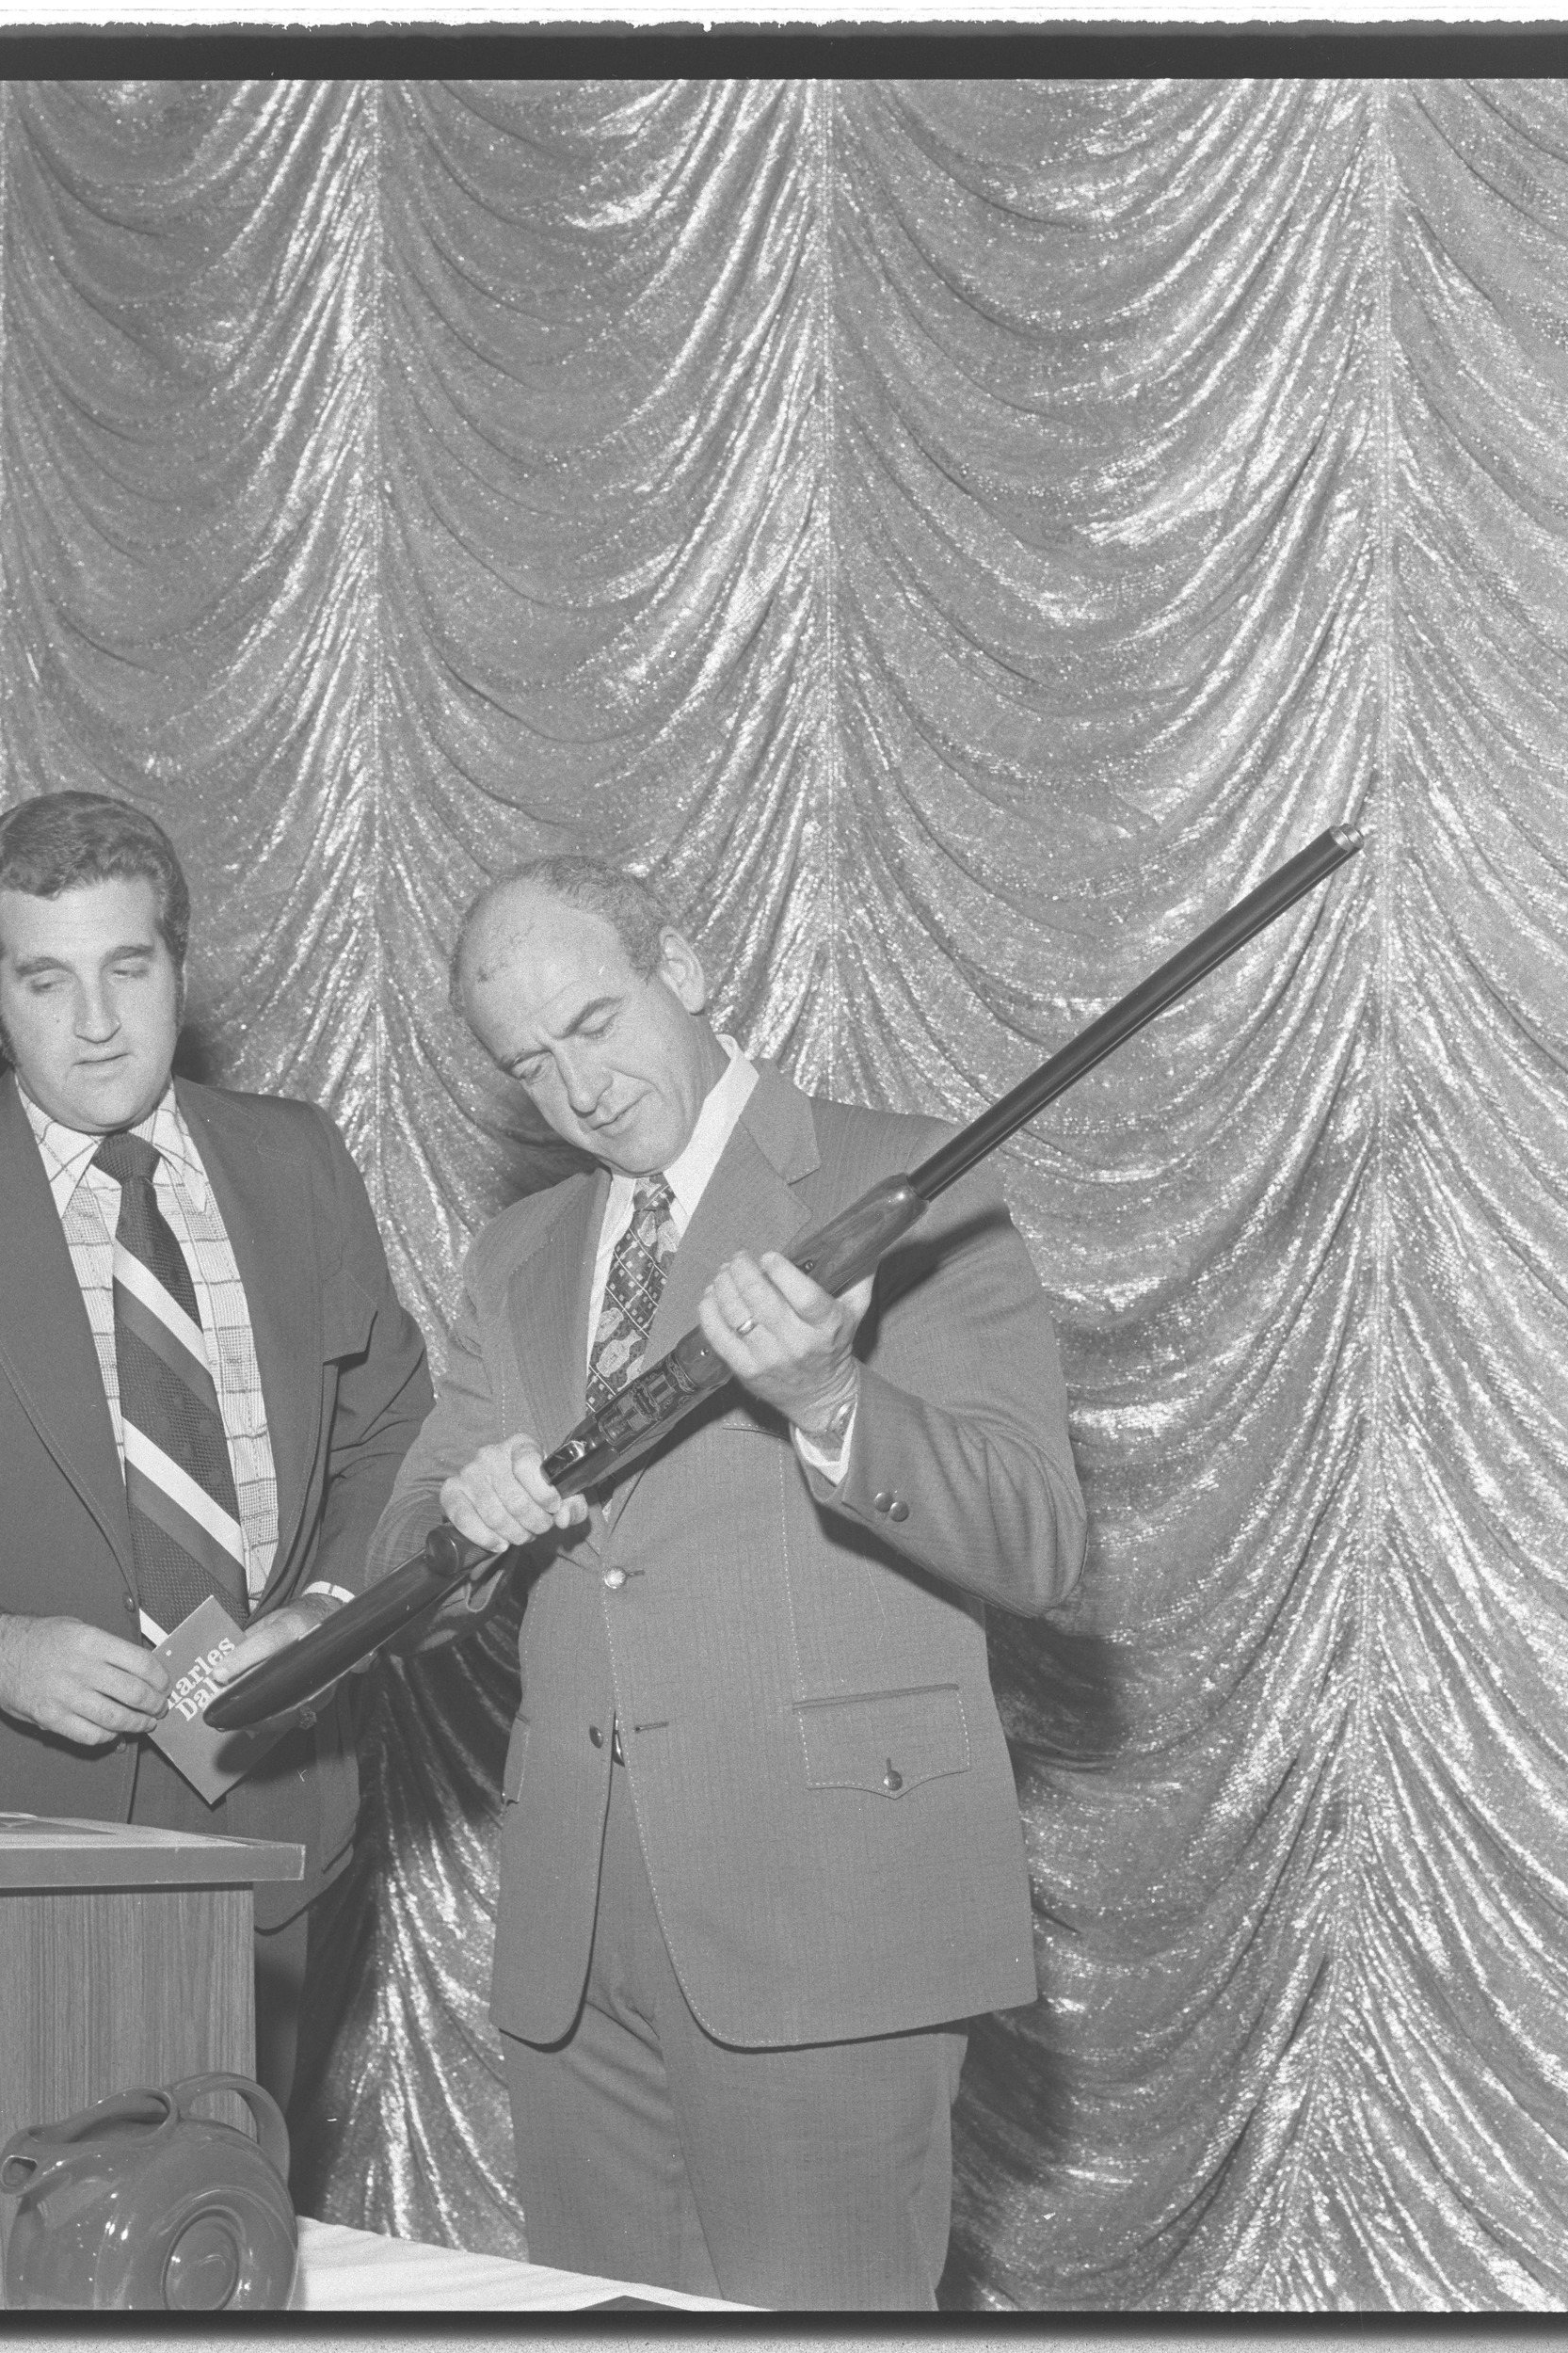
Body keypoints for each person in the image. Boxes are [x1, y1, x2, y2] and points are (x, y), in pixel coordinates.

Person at [369, 857, 1087, 2310]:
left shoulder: (906, 1175)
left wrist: (833, 1401)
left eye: (593, 1019)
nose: (576, 1086)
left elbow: (1037, 1541)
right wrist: (458, 1523)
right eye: (529, 1065)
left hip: (828, 1909)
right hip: (576, 1933)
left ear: (683, 968)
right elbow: (398, 1566)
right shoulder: (519, 1249)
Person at [0, 790, 432, 2130]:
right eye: (46, 980)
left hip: (273, 1809)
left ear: (181, 962)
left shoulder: (297, 1158)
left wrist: (326, 1611)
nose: (95, 1022)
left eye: (129, 967)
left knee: (231, 2229)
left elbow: (391, 1426)